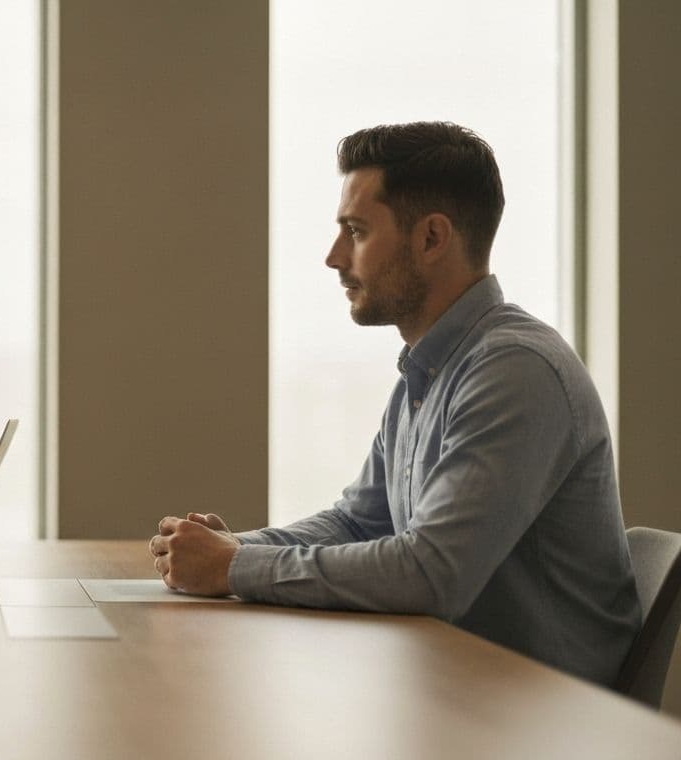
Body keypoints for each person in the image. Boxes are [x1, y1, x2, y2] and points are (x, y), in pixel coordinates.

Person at [149, 122, 640, 686]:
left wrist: (234, 567)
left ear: (431, 238)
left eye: (355, 231)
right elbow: (358, 522)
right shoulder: (428, 370)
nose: (334, 257)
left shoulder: (515, 370)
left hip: (546, 725)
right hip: (461, 697)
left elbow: (431, 574)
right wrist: (231, 548)